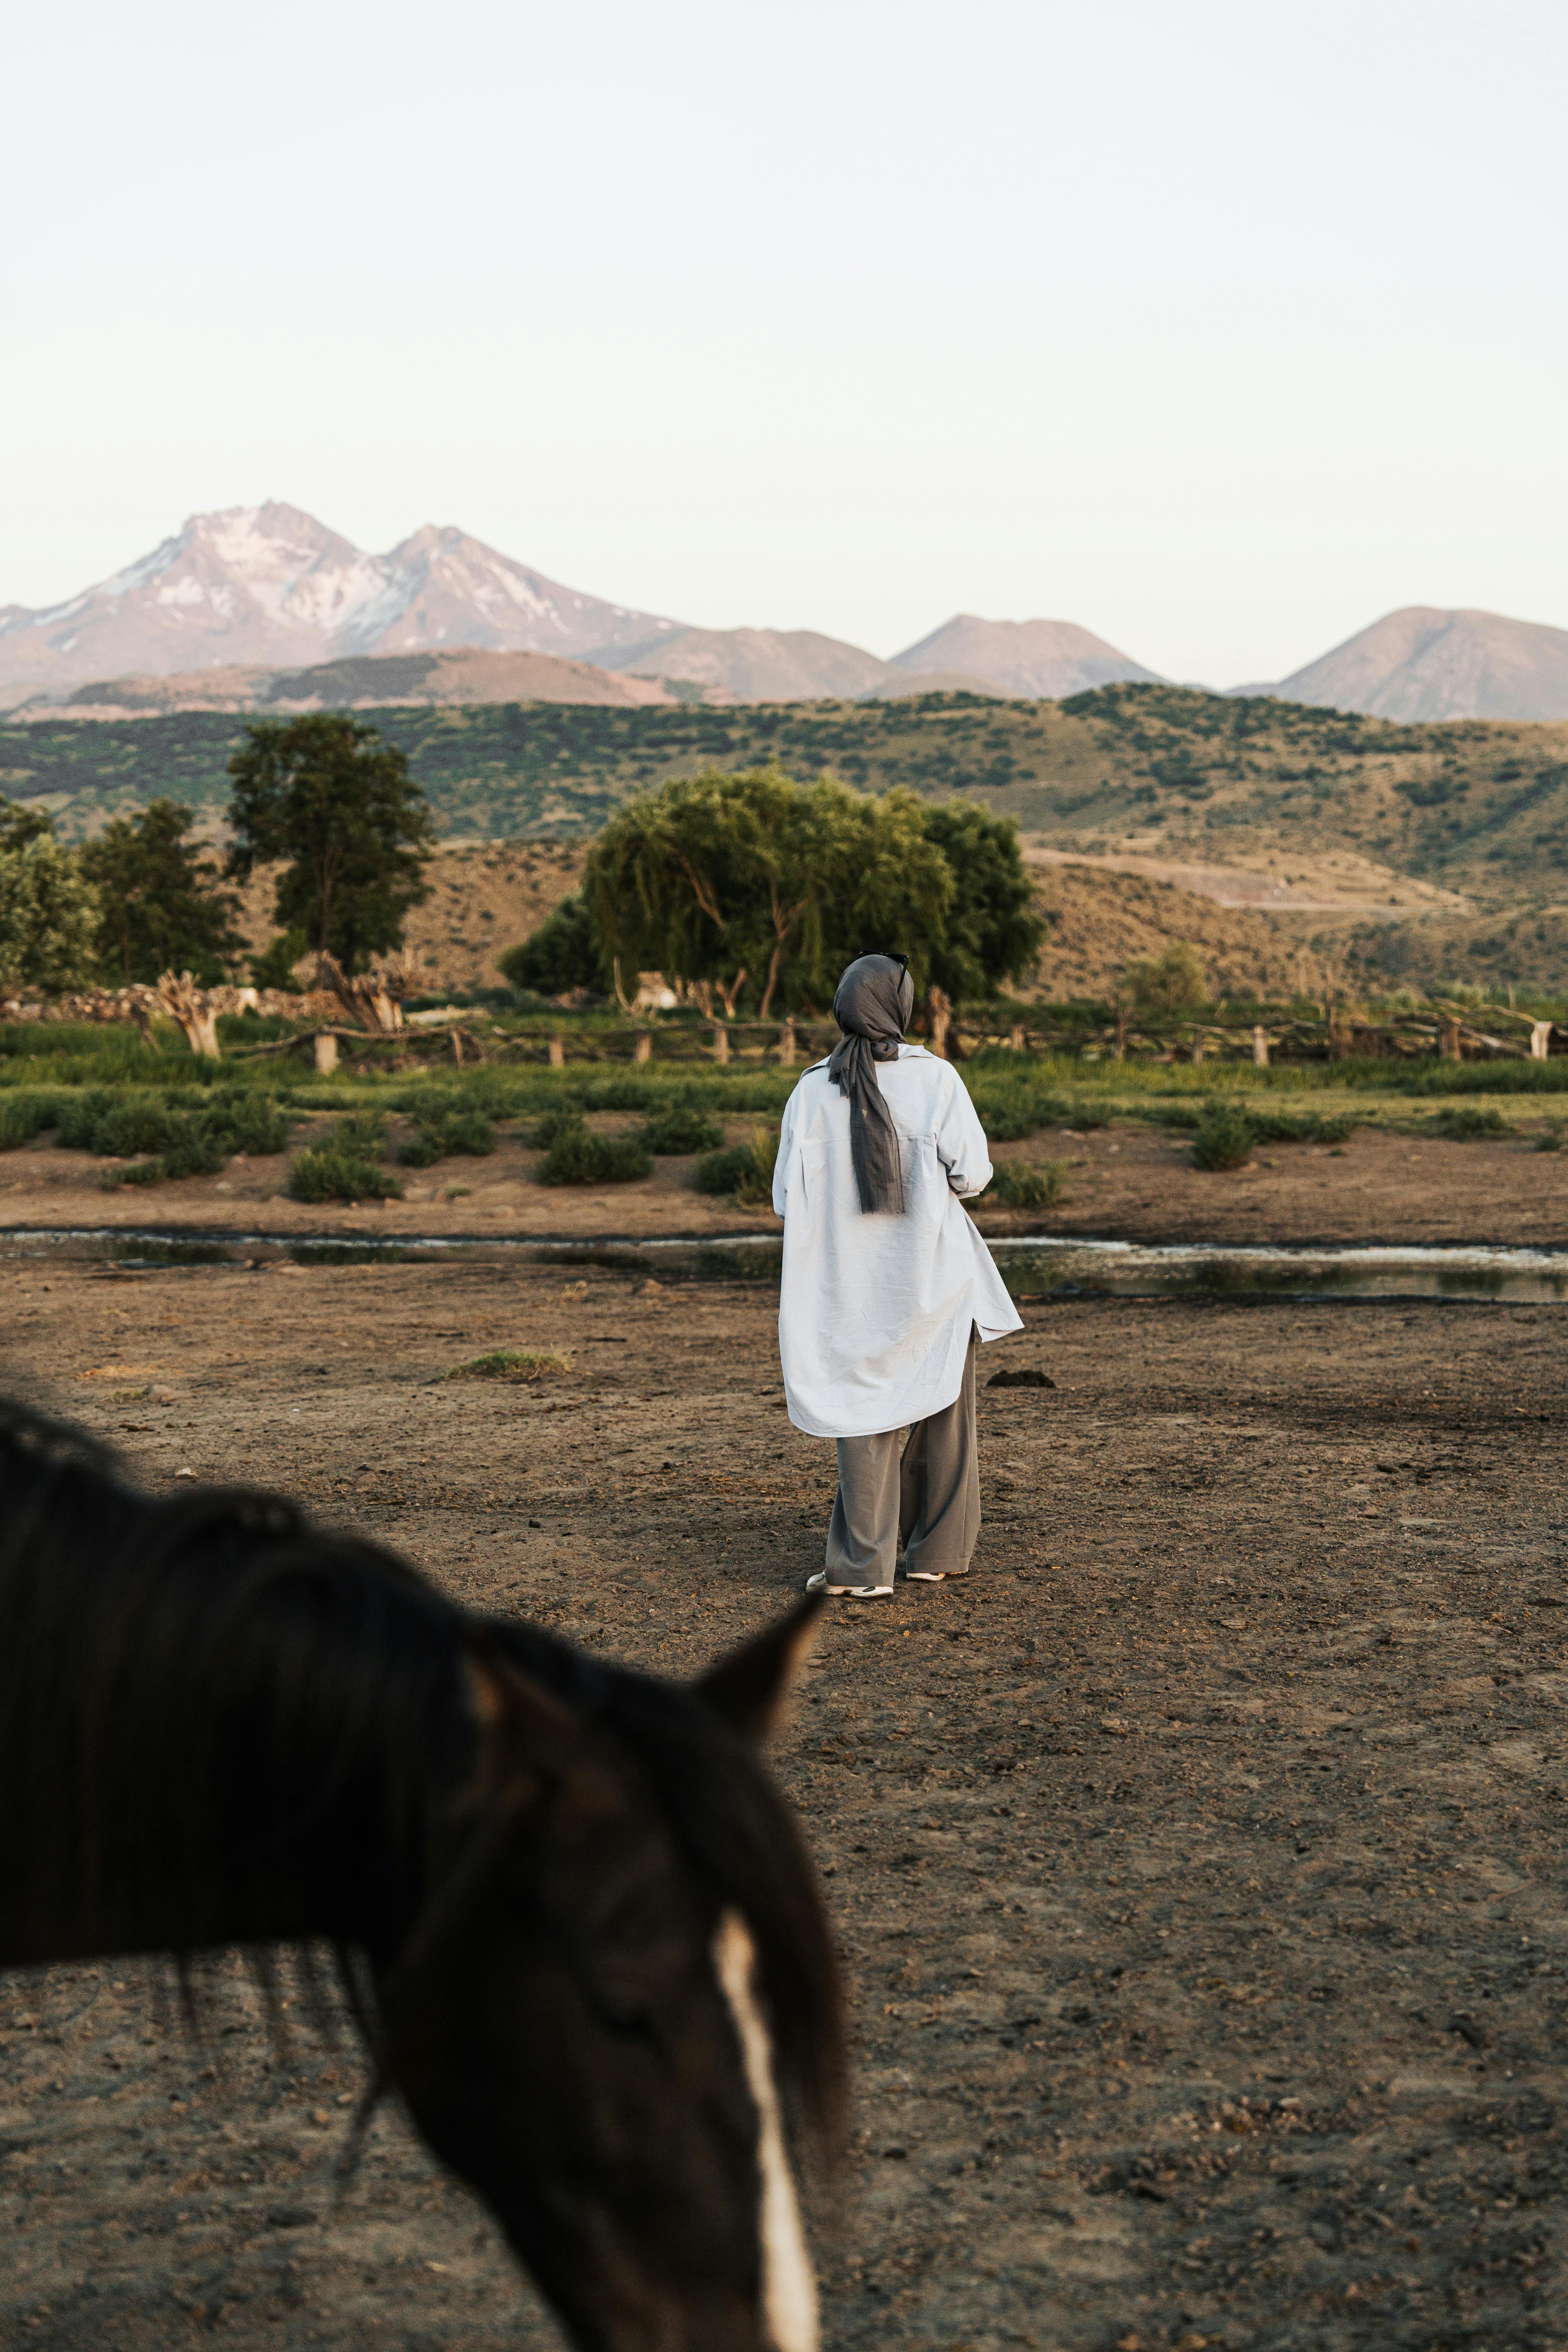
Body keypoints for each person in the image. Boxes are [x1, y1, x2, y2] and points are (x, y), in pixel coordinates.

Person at [771, 952, 1023, 1600]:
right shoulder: (936, 1081)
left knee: (861, 1416)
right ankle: (936, 1553)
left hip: (844, 1286)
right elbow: (973, 1175)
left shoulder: (809, 1090)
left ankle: (861, 1570)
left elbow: (783, 1200)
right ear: (901, 1009)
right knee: (946, 1412)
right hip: (934, 1277)